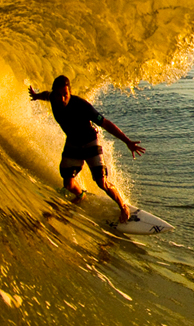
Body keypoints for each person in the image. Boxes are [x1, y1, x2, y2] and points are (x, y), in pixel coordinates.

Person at [29, 75, 145, 222]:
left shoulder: (81, 106)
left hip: (90, 141)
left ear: (70, 92)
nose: (62, 98)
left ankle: (123, 207)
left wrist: (127, 141)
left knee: (101, 182)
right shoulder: (53, 98)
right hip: (73, 142)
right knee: (68, 183)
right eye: (59, 95)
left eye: (65, 94)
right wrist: (36, 96)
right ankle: (81, 195)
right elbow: (47, 95)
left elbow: (105, 123)